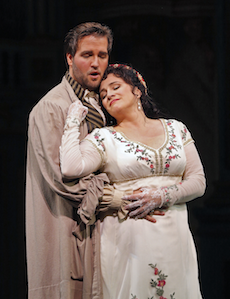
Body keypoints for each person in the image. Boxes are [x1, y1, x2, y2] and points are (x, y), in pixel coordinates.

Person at [60, 64, 206, 299]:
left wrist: (161, 196)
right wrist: (73, 121)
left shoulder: (176, 129)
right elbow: (70, 167)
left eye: (115, 87)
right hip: (130, 238)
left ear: (138, 91)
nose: (109, 96)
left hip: (175, 236)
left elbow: (198, 181)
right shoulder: (104, 137)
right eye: (104, 94)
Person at [25, 22, 127, 299]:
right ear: (70, 58)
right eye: (87, 55)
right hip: (68, 232)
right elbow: (62, 179)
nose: (96, 63)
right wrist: (114, 197)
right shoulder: (52, 107)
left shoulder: (101, 104)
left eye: (102, 55)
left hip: (103, 234)